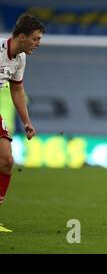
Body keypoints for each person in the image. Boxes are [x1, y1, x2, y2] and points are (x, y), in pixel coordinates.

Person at [0, 14, 44, 205]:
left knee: (7, 161)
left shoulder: (20, 58)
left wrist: (27, 122)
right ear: (22, 37)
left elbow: (16, 89)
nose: (38, 43)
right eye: (36, 38)